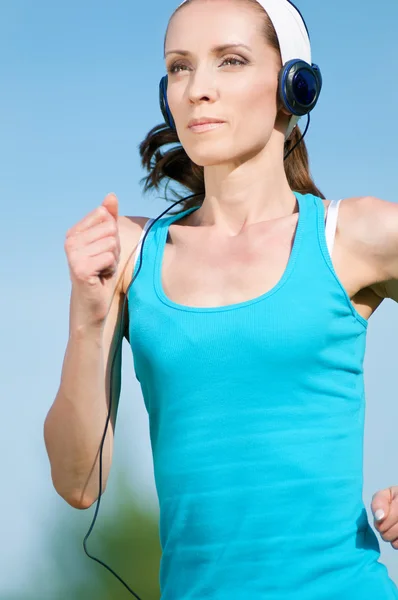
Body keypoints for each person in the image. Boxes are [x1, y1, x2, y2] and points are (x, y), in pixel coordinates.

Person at [44, 0, 398, 597]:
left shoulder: (354, 236)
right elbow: (79, 483)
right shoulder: (131, 256)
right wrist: (88, 313)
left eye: (229, 61)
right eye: (179, 67)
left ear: (295, 84)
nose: (197, 89)